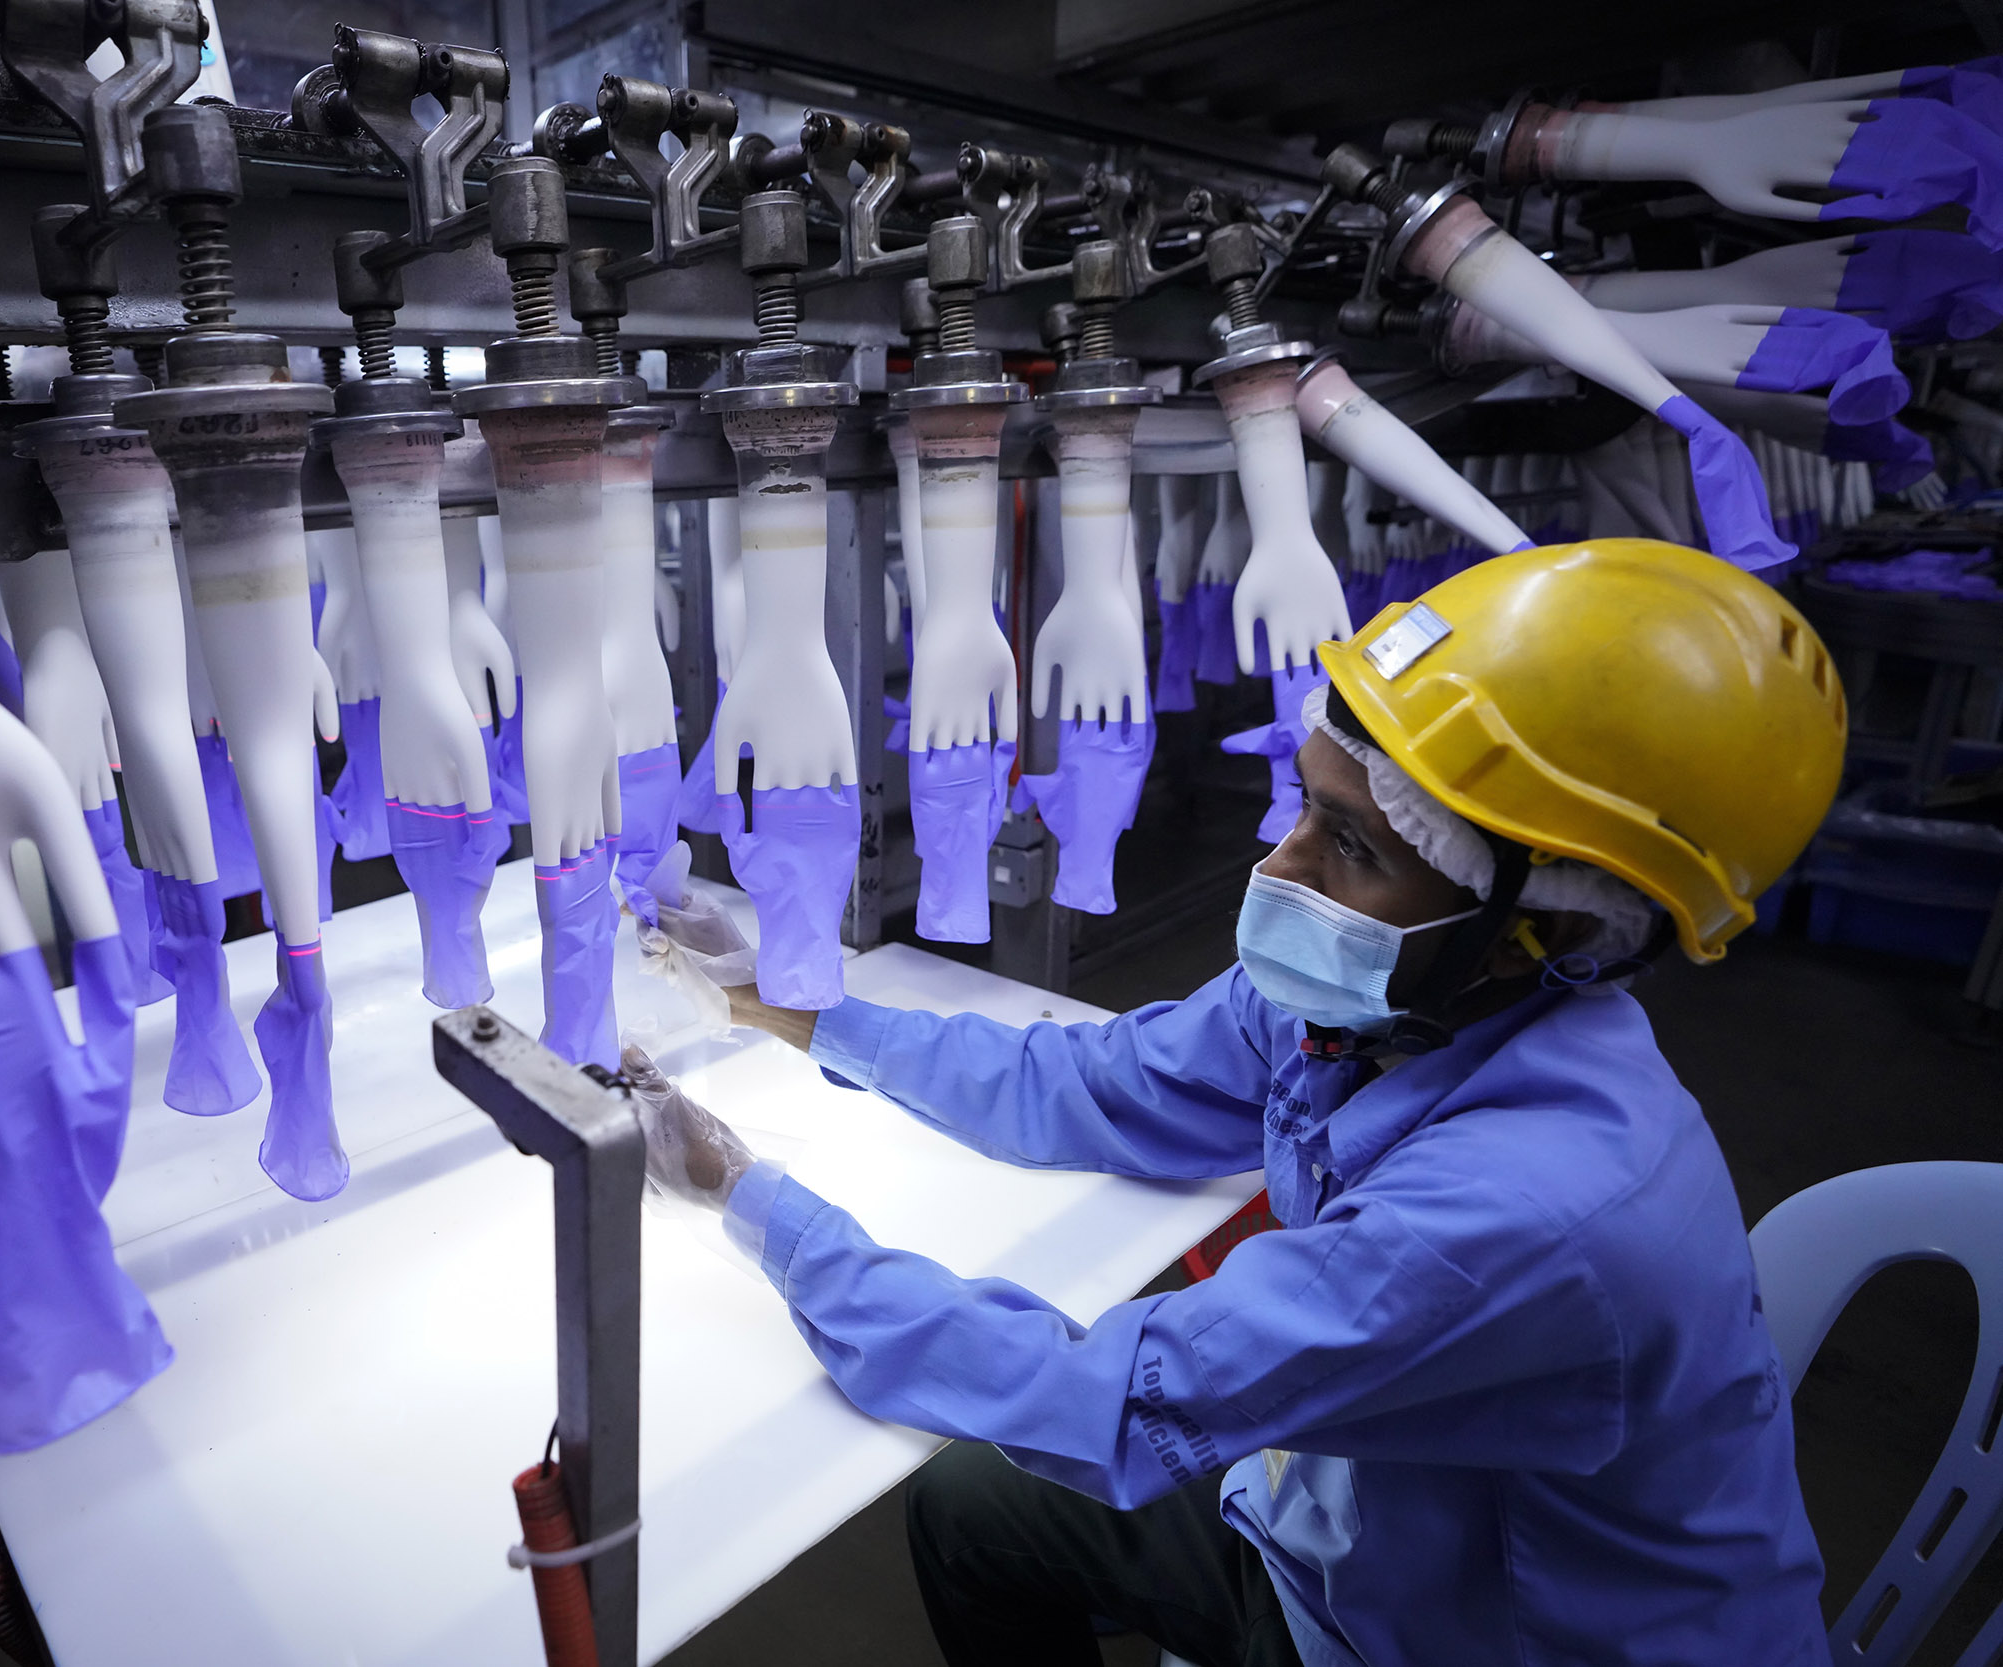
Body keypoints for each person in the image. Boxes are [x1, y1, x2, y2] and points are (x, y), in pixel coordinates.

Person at [628, 540, 1848, 1667]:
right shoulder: (1390, 993)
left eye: (1352, 843)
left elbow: (1095, 1397)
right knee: (972, 1509)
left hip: (1475, 1636)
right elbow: (1098, 1084)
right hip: (1356, 1526)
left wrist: (749, 1201)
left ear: (1557, 923)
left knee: (1013, 1456)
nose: (1281, 868)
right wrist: (788, 1010)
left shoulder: (1529, 1214)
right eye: (1304, 803)